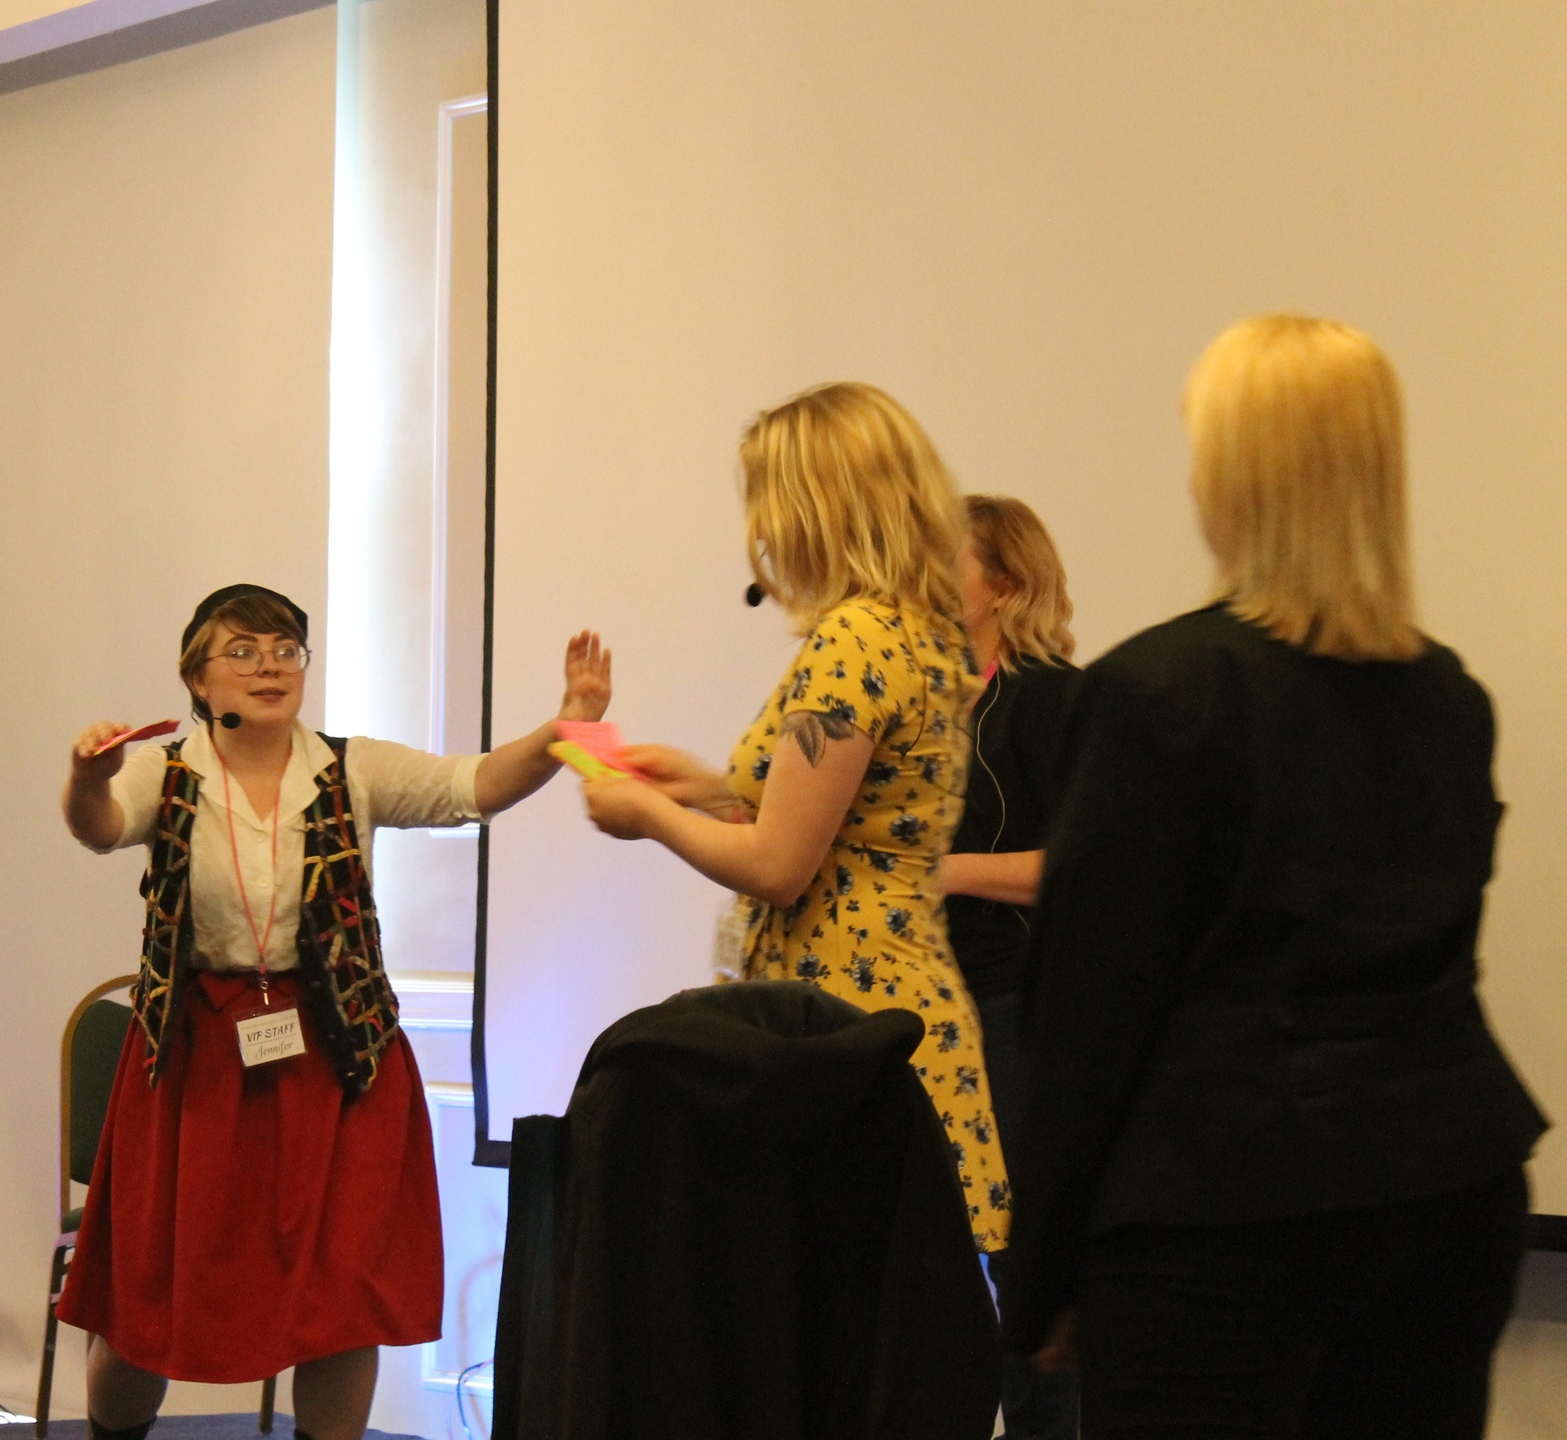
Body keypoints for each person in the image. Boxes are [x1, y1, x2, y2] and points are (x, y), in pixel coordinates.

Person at [1005, 316, 1548, 1439]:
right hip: (1450, 1189)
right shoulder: (1450, 699)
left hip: (1221, 1219)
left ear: (1232, 473)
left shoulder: (1161, 693)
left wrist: (1039, 1275)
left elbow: (1089, 1017)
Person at [57, 583, 612, 1440]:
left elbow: (471, 786)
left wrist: (564, 728)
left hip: (341, 1059)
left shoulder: (352, 767)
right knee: (147, 1302)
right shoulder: (163, 774)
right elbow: (99, 825)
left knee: (343, 1301)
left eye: (286, 649)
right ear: (197, 678)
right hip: (199, 1064)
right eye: (243, 650)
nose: (270, 666)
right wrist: (85, 778)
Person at [580, 381, 1011, 1256]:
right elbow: (860, 823)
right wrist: (706, 790)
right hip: (887, 1017)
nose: (764, 533)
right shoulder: (919, 630)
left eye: (771, 503)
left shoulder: (853, 639)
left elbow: (779, 868)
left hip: (847, 1024)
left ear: (819, 506)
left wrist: (648, 815)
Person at [939, 495, 1082, 1438]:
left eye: (946, 559)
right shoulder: (921, 695)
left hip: (1011, 1008)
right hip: (925, 1000)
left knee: (1020, 1257)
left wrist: (938, 870)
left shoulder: (1052, 697)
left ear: (1005, 584)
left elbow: (1081, 865)